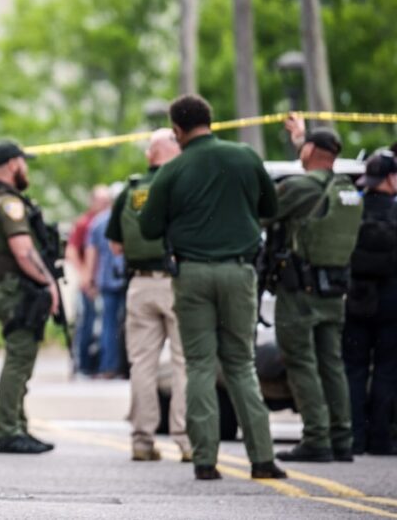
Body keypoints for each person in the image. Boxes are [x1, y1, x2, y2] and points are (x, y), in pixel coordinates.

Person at [138, 95, 286, 481]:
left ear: (177, 130)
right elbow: (270, 208)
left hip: (192, 275)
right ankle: (262, 459)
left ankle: (205, 460)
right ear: (211, 120)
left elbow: (148, 227)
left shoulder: (172, 170)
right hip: (239, 272)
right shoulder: (246, 157)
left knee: (200, 365)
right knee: (241, 364)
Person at [265, 117, 362, 463]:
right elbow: (315, 162)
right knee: (331, 363)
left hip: (300, 292)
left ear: (309, 151)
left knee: (301, 362)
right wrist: (301, 139)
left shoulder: (300, 188)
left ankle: (316, 438)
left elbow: (263, 213)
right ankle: (341, 437)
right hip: (334, 291)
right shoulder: (347, 189)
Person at [106, 128, 192, 461]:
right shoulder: (183, 185)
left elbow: (115, 245)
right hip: (177, 281)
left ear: (149, 155)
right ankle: (186, 440)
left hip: (139, 284)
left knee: (142, 364)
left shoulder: (130, 191)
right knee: (184, 362)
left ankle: (142, 440)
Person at [0, 140, 60, 455]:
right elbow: (23, 251)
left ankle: (18, 426)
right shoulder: (8, 202)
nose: (26, 168)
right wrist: (49, 284)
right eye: (24, 162)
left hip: (6, 284)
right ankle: (8, 430)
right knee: (19, 355)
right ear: (13, 164)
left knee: (21, 355)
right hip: (14, 286)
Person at [344, 150, 397, 456]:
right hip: (392, 301)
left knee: (354, 370)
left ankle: (354, 437)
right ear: (391, 178)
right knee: (387, 371)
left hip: (357, 299)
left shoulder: (353, 209)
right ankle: (381, 439)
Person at [66, 186, 111, 375]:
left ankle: (96, 364)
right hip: (89, 281)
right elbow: (71, 251)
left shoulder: (107, 221)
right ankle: (82, 364)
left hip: (104, 279)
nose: (105, 205)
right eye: (101, 201)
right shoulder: (85, 223)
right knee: (86, 322)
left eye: (107, 201)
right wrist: (85, 276)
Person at [82, 199, 126, 379]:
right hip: (126, 278)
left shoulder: (98, 221)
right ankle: (125, 366)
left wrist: (89, 278)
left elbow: (91, 253)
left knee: (108, 324)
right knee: (129, 324)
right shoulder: (128, 218)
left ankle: (109, 366)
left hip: (106, 280)